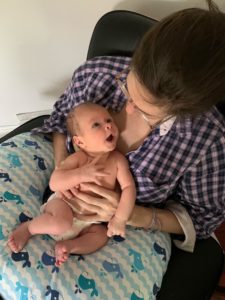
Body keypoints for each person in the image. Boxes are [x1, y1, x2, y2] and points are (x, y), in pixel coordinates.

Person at [32, 1, 225, 297]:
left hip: (120, 230)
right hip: (58, 198)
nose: (128, 109)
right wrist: (63, 166)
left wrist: (131, 215)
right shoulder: (97, 75)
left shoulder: (207, 140)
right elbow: (60, 122)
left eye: (148, 112)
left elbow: (201, 217)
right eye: (127, 88)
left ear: (186, 112)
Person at [8, 103, 136, 266]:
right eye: (96, 125)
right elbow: (55, 183)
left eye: (108, 120)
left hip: (89, 222)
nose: (108, 125)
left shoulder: (118, 160)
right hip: (63, 206)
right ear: (80, 142)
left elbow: (128, 188)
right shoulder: (80, 158)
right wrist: (81, 174)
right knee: (62, 222)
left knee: (101, 236)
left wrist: (120, 219)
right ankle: (29, 228)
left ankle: (70, 246)